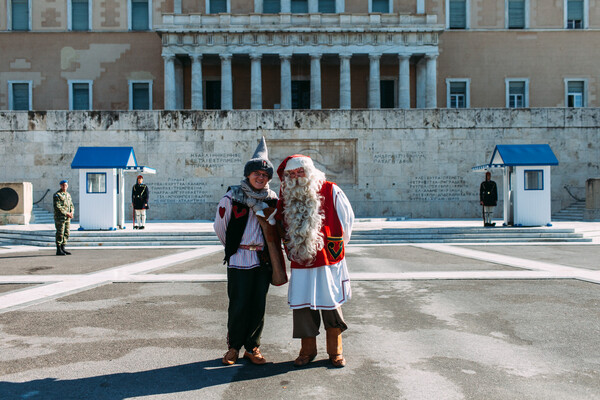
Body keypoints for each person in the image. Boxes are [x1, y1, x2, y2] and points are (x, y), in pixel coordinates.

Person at [276, 154, 354, 368]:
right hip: (301, 260)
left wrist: (335, 245)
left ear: (310, 171)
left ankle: (335, 350)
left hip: (328, 258)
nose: (296, 176)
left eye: (300, 171)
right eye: (291, 174)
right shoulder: (286, 193)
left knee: (331, 304)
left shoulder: (331, 189)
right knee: (302, 308)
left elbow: (347, 221)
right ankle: (307, 350)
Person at [213, 137, 278, 366]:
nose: (260, 178)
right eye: (256, 174)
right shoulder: (232, 196)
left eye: (265, 175)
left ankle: (253, 346)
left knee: (258, 304)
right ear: (248, 175)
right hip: (240, 257)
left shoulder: (272, 199)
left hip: (262, 258)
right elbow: (220, 226)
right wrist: (233, 247)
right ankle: (233, 348)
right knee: (239, 304)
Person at [53, 179, 74, 256]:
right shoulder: (57, 195)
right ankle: (58, 249)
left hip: (67, 218)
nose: (64, 186)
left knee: (66, 232)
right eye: (63, 185)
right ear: (61, 186)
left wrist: (71, 212)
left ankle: (63, 248)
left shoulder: (68, 195)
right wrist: (66, 213)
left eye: (66, 185)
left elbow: (71, 205)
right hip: (60, 218)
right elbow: (58, 206)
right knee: (60, 233)